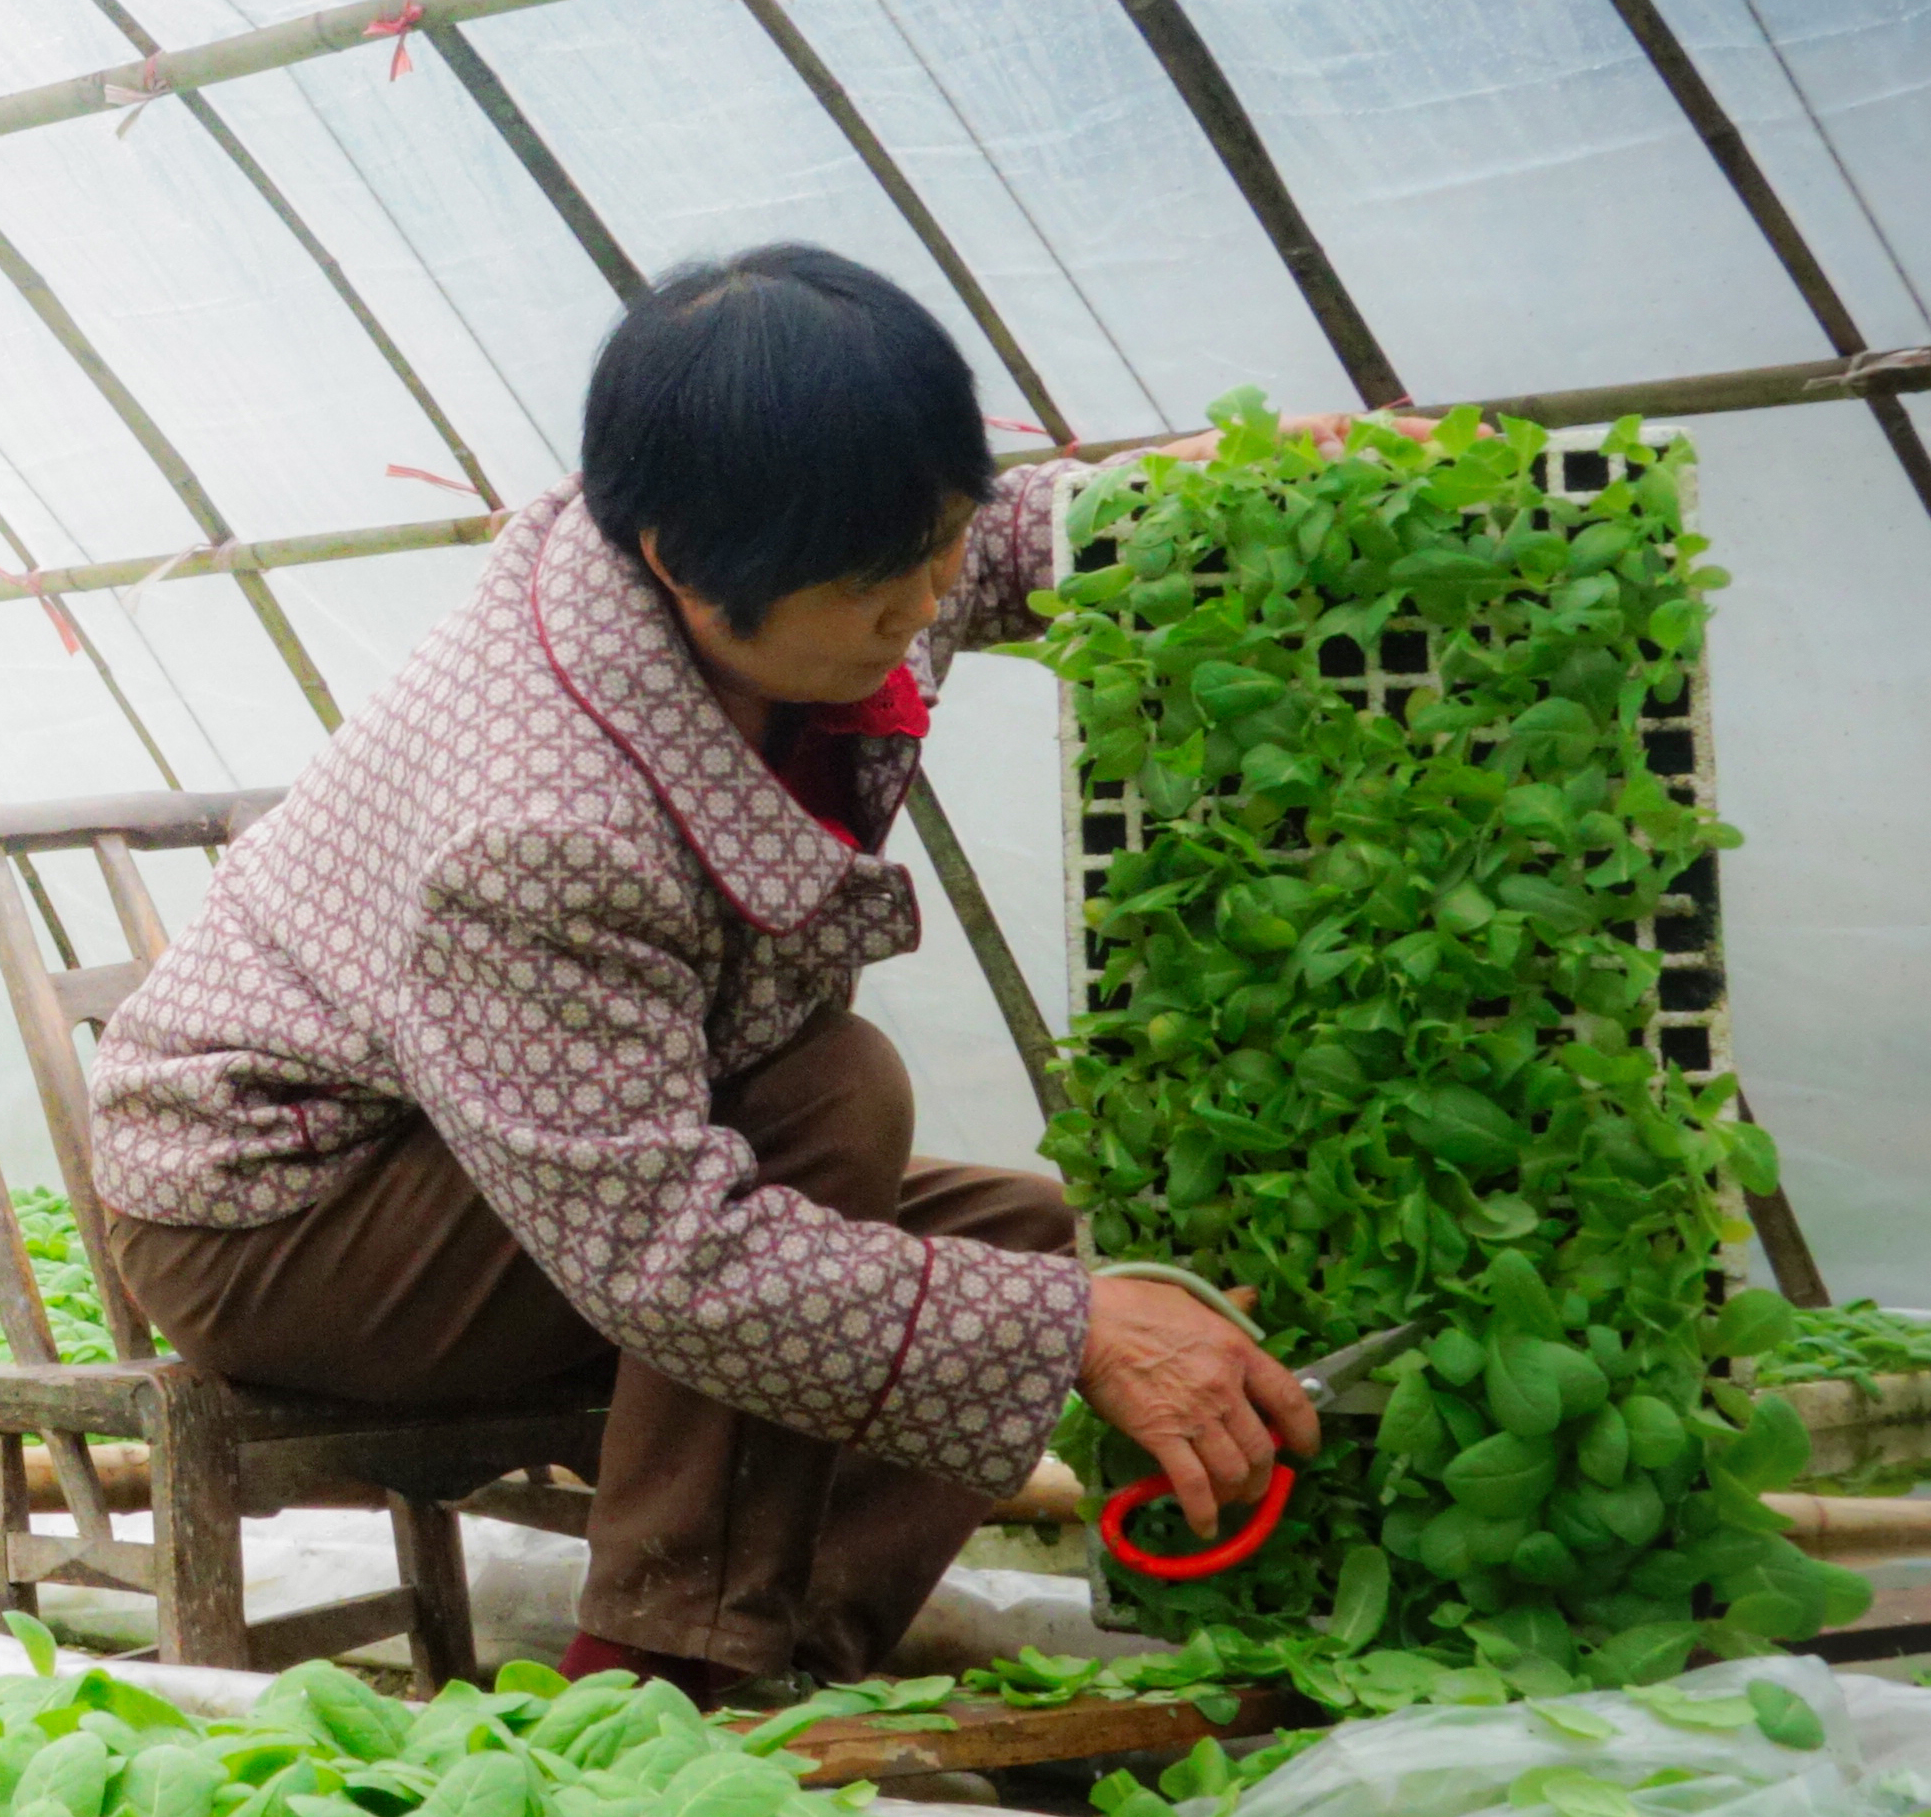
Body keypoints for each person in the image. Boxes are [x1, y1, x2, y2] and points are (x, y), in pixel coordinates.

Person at [89, 242, 1350, 1696]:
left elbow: (999, 548)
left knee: (1033, 1250)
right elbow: (665, 1253)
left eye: (937, 535)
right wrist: (1073, 1341)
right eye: (880, 584)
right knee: (828, 1094)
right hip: (291, 1215)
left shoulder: (790, 542)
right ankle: (672, 1668)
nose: (928, 598)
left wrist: (1232, 489)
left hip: (492, 1164)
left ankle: (802, 1640)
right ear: (687, 563)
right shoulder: (541, 822)